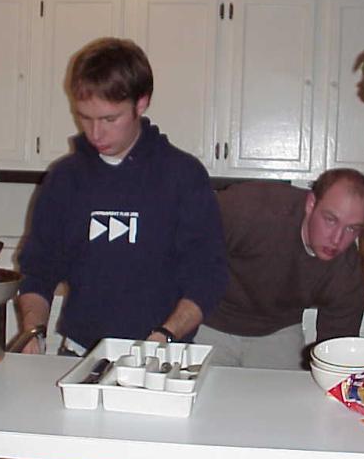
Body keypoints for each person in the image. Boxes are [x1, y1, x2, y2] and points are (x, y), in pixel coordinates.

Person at [16, 37, 228, 355]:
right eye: (84, 117)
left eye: (109, 119)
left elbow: (207, 278)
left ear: (141, 104)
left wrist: (164, 336)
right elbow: (38, 271)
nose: (95, 133)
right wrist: (33, 332)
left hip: (161, 355)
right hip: (79, 352)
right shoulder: (64, 178)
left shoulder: (182, 176)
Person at [194, 169, 364, 369]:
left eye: (351, 228)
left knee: (289, 389)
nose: (337, 239)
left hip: (279, 328)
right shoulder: (248, 209)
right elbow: (182, 251)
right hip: (210, 318)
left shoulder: (346, 272)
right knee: (201, 388)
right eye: (330, 220)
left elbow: (336, 353)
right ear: (311, 204)